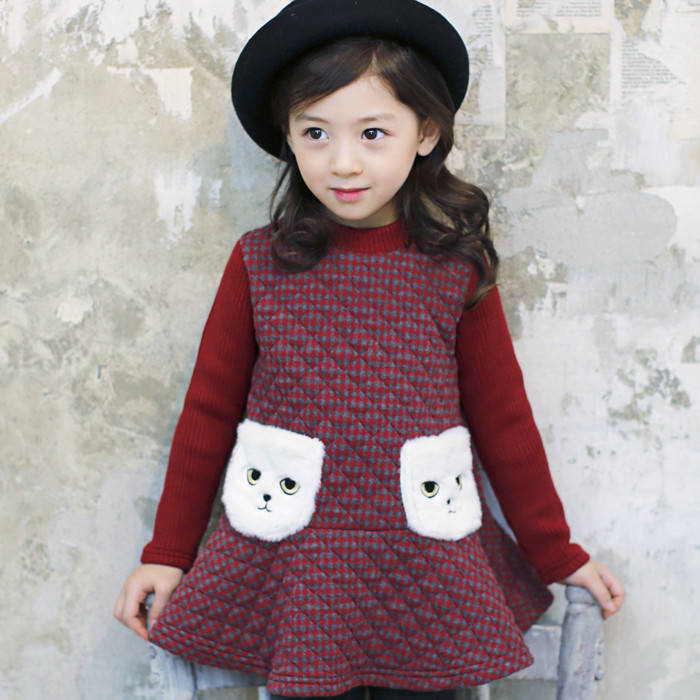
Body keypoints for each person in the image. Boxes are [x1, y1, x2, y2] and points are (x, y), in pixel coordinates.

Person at [114, 1, 625, 698]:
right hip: (300, 564)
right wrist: (168, 553)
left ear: (425, 133)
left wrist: (555, 552)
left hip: (424, 564)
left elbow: (504, 420)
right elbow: (208, 412)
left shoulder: (456, 269)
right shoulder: (260, 263)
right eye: (315, 132)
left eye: (373, 132)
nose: (343, 161)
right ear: (288, 136)